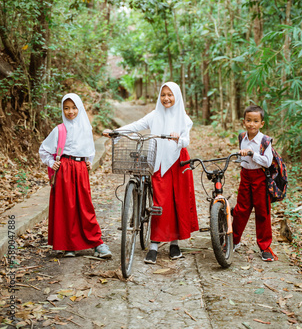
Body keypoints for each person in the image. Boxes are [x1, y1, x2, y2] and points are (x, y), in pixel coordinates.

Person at [104, 81, 198, 264]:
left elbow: (186, 139)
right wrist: (115, 132)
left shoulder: (183, 118)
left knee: (177, 201)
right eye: (163, 95)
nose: (166, 98)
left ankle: (174, 243)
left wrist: (179, 138)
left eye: (170, 95)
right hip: (158, 161)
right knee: (160, 203)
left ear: (177, 96)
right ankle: (154, 244)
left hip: (179, 161)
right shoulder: (154, 115)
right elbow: (136, 125)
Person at [39, 93, 112, 259]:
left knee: (84, 206)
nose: (70, 111)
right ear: (62, 110)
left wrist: (88, 161)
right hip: (64, 169)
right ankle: (68, 245)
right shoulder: (59, 130)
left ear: (79, 108)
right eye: (66, 108)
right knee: (67, 207)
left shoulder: (85, 127)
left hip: (80, 170)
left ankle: (96, 242)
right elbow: (43, 149)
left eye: (73, 108)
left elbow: (89, 149)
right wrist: (52, 163)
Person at [232, 105, 278, 262]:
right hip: (245, 176)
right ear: (243, 121)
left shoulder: (265, 141)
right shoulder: (242, 137)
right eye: (249, 120)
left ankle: (265, 247)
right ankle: (234, 241)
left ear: (261, 123)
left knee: (262, 211)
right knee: (240, 210)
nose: (252, 124)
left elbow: (267, 162)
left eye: (255, 121)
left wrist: (253, 154)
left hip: (260, 177)